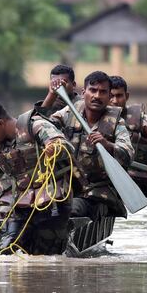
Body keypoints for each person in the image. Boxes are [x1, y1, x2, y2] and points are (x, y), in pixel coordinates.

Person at [0, 100, 73, 255]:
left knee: (46, 255)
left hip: (52, 202)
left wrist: (54, 147)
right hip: (23, 204)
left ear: (1, 123)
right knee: (7, 250)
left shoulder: (35, 126)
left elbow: (65, 146)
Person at [50, 71, 134, 219]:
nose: (97, 96)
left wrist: (107, 144)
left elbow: (128, 154)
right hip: (66, 188)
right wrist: (51, 96)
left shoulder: (117, 122)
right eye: (93, 90)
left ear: (109, 97)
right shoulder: (70, 112)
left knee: (72, 209)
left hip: (97, 194)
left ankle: (68, 238)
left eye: (103, 92)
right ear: (84, 93)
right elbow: (40, 124)